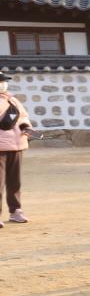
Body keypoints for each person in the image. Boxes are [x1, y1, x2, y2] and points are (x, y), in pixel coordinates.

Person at [0, 71, 34, 227]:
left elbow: (23, 117)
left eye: (4, 81)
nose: (3, 84)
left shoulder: (12, 100)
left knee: (15, 182)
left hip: (16, 145)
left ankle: (16, 210)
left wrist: (26, 128)